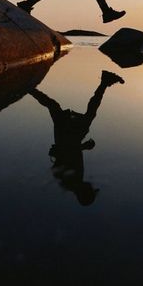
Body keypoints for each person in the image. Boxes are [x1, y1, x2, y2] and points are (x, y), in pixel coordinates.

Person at [30, 70, 125, 206]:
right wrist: (80, 147)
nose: (91, 186)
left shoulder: (71, 182)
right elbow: (66, 159)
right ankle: (29, 90)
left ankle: (27, 89)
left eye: (91, 189)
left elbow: (65, 155)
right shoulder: (75, 181)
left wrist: (83, 147)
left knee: (57, 107)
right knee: (57, 107)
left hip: (66, 137)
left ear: (84, 192)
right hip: (70, 137)